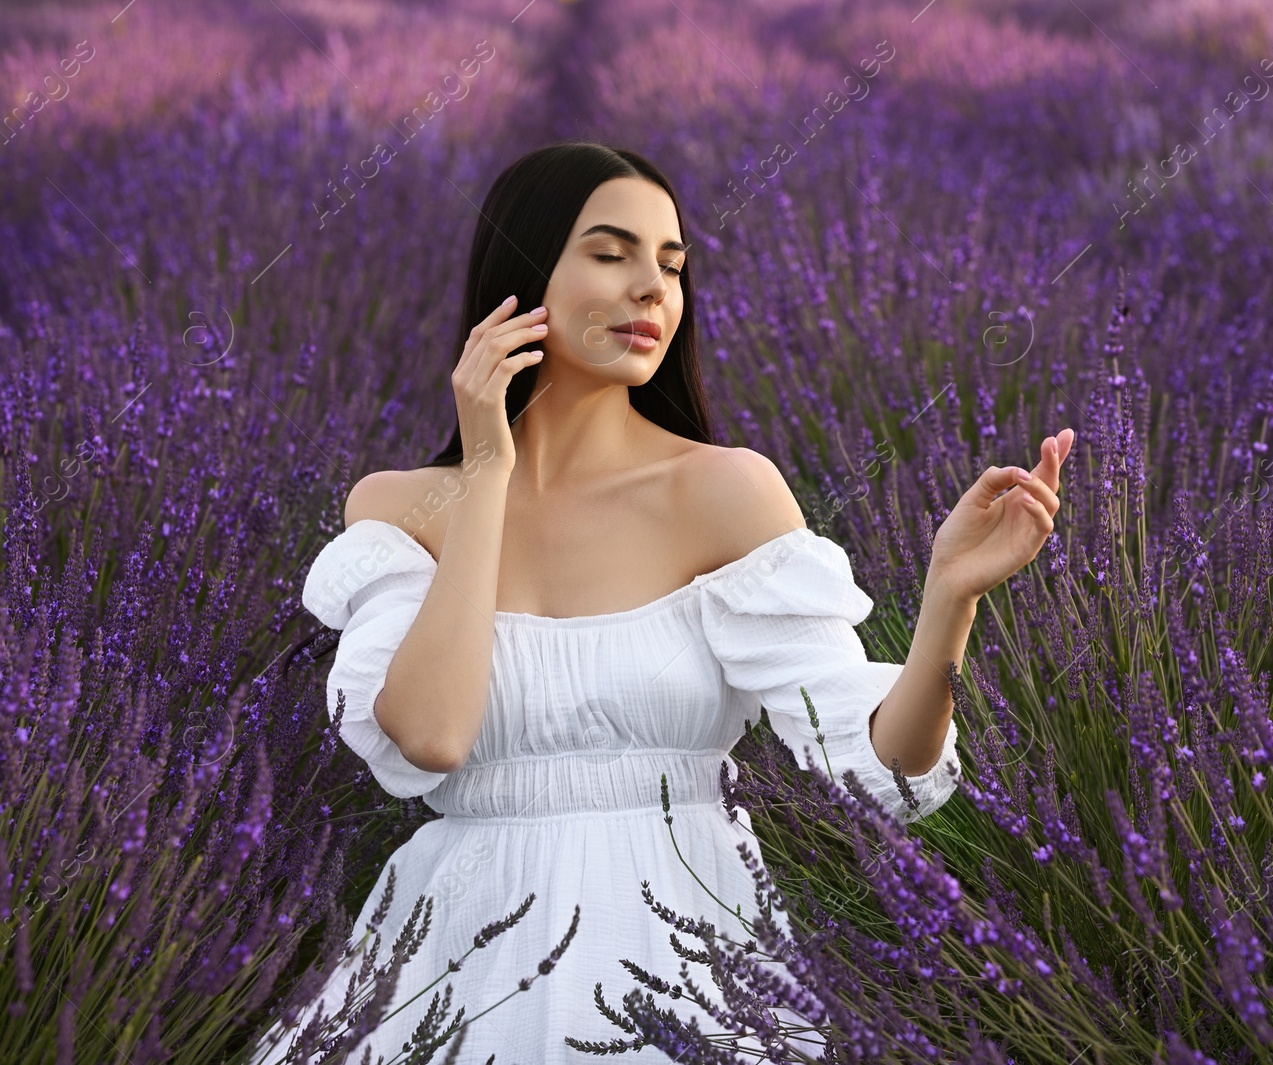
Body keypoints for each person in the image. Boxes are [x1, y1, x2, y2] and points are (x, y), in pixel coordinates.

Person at [251, 140, 1074, 1064]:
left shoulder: (724, 492)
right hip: (460, 954)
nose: (652, 288)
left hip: (688, 949)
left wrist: (948, 599)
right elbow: (432, 736)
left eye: (671, 265)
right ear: (523, 278)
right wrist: (486, 470)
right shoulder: (400, 506)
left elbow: (881, 767)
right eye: (611, 253)